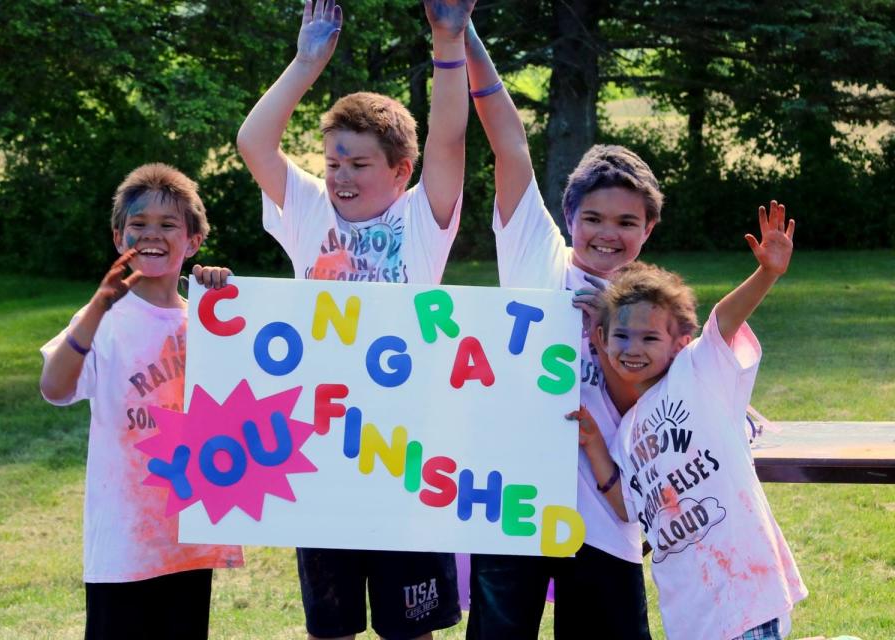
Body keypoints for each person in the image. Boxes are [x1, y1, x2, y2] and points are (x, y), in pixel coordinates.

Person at [216, 1, 476, 638]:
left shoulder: (422, 219)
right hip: (322, 447)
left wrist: (448, 42)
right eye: (334, 164)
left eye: (359, 165)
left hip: (407, 454)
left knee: (407, 624)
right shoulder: (307, 210)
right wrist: (307, 62)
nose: (341, 177)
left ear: (400, 172)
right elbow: (254, 143)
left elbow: (448, 139)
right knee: (331, 626)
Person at [461, 20, 656, 639]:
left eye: (627, 222)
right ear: (567, 216)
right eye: (593, 216)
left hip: (605, 515)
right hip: (511, 507)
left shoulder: (654, 306)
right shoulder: (532, 253)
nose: (607, 232)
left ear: (647, 230)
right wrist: (462, 33)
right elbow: (508, 141)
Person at [576, 201, 808, 640]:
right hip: (691, 613)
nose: (633, 348)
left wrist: (767, 273)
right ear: (602, 340)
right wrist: (593, 445)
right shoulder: (627, 431)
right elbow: (628, 507)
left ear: (681, 342)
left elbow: (724, 319)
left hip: (745, 591)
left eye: (649, 337)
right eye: (622, 336)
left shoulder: (698, 372)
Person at [38, 163, 244, 639]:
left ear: (193, 241)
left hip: (188, 536)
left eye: (169, 224)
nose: (153, 234)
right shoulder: (105, 318)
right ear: (119, 238)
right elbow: (54, 388)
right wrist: (94, 311)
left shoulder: (210, 325)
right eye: (139, 225)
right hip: (124, 543)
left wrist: (228, 299)